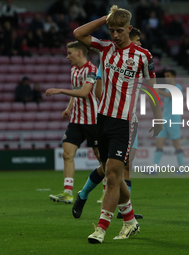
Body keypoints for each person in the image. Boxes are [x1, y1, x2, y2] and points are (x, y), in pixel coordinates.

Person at [73, 5, 162, 243]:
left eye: (119, 30)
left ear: (129, 29)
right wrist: (104, 18)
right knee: (114, 176)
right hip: (102, 120)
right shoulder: (105, 48)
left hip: (125, 123)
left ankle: (101, 229)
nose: (114, 35)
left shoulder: (143, 56)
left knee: (113, 175)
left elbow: (151, 90)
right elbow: (78, 34)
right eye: (111, 30)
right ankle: (131, 221)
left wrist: (158, 116)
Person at [72, 28, 144, 220]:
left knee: (126, 165)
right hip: (111, 119)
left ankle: (124, 210)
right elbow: (97, 92)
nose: (139, 45)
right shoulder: (109, 59)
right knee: (110, 168)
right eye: (137, 41)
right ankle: (83, 194)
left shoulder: (139, 61)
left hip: (131, 120)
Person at [45, 41, 102, 204]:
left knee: (101, 158)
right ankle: (68, 192)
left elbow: (84, 92)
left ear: (79, 52)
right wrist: (69, 107)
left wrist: (59, 90)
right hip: (76, 120)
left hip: (93, 120)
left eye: (70, 53)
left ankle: (107, 191)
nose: (67, 56)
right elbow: (75, 90)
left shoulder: (91, 69)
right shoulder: (74, 70)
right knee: (67, 154)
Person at [153, 70, 184, 173]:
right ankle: (154, 168)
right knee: (159, 143)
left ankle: (182, 168)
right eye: (165, 76)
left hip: (174, 119)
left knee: (176, 143)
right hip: (165, 119)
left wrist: (156, 90)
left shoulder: (178, 87)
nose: (166, 77)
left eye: (168, 75)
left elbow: (169, 95)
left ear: (173, 76)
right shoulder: (167, 88)